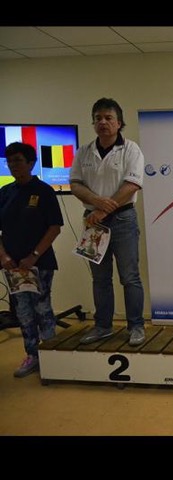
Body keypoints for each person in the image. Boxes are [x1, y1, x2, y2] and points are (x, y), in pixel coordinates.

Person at [70, 97, 146, 346]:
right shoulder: (84, 151)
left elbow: (132, 184)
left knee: (129, 277)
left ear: (119, 122)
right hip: (93, 222)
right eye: (98, 118)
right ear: (93, 123)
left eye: (108, 118)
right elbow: (75, 184)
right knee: (100, 279)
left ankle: (136, 326)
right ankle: (103, 326)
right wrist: (95, 201)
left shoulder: (131, 149)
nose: (103, 122)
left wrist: (103, 210)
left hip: (123, 219)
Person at [0, 142, 63, 377]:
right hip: (12, 265)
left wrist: (33, 256)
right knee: (23, 312)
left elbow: (54, 228)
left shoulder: (44, 191)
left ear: (31, 163)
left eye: (18, 160)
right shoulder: (4, 192)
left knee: (42, 308)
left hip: (39, 263)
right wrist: (3, 256)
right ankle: (32, 355)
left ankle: (51, 355)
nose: (13, 165)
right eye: (9, 161)